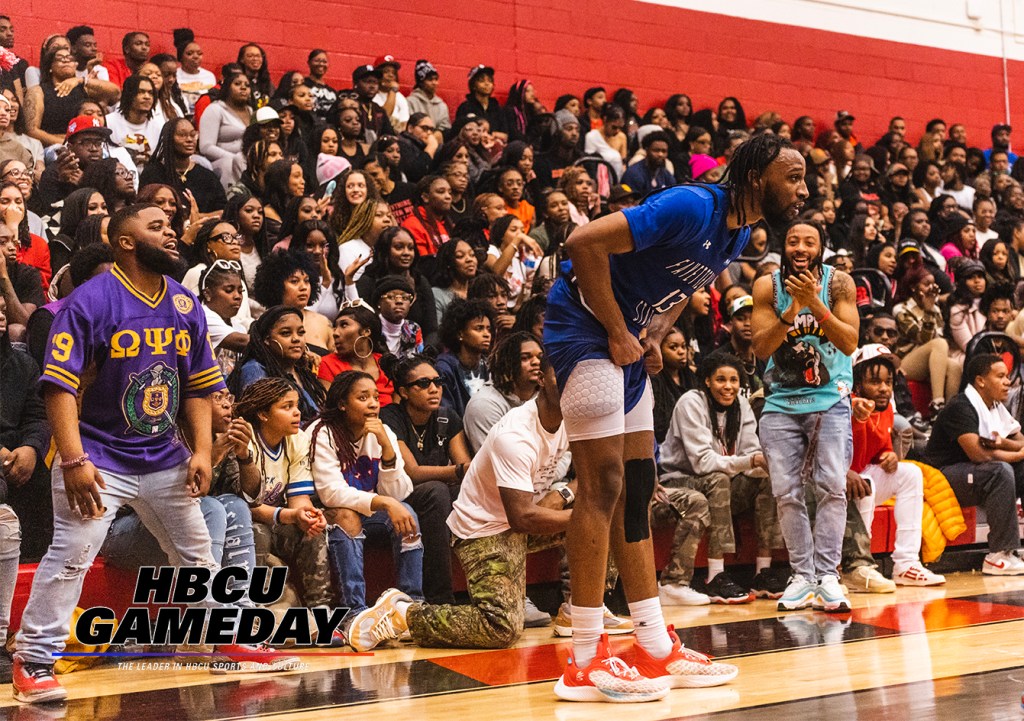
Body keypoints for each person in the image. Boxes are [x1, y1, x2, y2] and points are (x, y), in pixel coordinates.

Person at [540, 135, 803, 702]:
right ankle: (583, 657)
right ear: (757, 175)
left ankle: (654, 645)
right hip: (584, 326)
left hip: (628, 336)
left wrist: (656, 329)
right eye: (794, 177)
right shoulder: (692, 205)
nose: (803, 190)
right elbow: (583, 241)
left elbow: (687, 283)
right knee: (602, 483)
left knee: (637, 488)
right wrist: (616, 328)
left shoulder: (734, 231)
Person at [12, 204, 295, 704]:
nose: (171, 234)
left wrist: (203, 450)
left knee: (197, 553)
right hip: (97, 454)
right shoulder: (90, 302)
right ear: (125, 242)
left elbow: (199, 387)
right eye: (156, 227)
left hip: (163, 454)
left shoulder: (184, 304)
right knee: (72, 555)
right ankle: (34, 659)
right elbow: (58, 388)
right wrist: (75, 461)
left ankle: (228, 637)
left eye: (171, 226)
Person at [344, 360, 580, 653]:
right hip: (485, 530)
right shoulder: (516, 434)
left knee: (609, 510)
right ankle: (404, 613)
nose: (572, 380)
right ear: (542, 378)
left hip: (526, 516)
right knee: (502, 629)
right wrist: (580, 517)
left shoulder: (575, 418)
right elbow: (521, 518)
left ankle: (580, 609)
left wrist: (566, 497)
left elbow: (596, 473)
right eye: (564, 371)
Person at [752, 219, 859, 614]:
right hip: (780, 403)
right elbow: (762, 347)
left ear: (821, 247)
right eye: (793, 240)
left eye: (808, 241)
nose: (800, 247)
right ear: (784, 245)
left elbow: (849, 342)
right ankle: (801, 577)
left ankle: (828, 576)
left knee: (831, 487)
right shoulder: (767, 286)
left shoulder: (839, 284)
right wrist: (793, 308)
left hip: (830, 399)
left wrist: (814, 303)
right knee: (786, 492)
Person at [657, 354, 786, 606]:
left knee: (767, 480)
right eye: (721, 380)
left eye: (734, 380)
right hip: (679, 481)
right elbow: (702, 463)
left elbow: (751, 453)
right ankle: (715, 575)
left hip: (723, 479)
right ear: (707, 381)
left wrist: (767, 467)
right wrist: (750, 462)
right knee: (719, 479)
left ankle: (763, 571)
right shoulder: (690, 403)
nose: (728, 386)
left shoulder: (741, 404)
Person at [309, 370, 424, 624]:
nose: (373, 403)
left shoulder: (384, 432)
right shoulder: (322, 433)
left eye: (375, 397)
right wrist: (384, 502)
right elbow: (330, 493)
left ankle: (411, 607)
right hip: (326, 518)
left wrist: (387, 450)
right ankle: (354, 612)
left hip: (370, 516)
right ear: (342, 403)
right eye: (363, 397)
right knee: (346, 514)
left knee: (407, 512)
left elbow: (399, 493)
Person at [847, 344, 945, 586]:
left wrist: (889, 455)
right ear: (857, 384)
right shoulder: (845, 406)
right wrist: (858, 419)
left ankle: (906, 564)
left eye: (888, 382)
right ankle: (859, 565)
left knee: (911, 472)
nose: (883, 388)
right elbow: (850, 457)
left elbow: (878, 450)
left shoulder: (887, 409)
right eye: (875, 381)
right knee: (866, 482)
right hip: (839, 483)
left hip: (862, 479)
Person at [924, 353, 1024, 575]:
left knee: (1008, 469)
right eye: (1000, 376)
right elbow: (979, 454)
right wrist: (1017, 454)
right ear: (981, 380)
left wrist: (1001, 442)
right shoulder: (961, 405)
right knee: (999, 470)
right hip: (941, 478)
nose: (1008, 382)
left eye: (1007, 376)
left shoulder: (995, 406)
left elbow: (1020, 440)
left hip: (973, 474)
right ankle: (998, 555)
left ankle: (1017, 551)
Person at [463, 331, 543, 452]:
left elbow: (562, 451)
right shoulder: (484, 404)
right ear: (508, 363)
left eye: (540, 357)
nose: (536, 362)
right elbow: (497, 460)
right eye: (525, 358)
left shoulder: (546, 396)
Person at [436, 298, 493, 417]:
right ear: (460, 334)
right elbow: (446, 414)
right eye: (479, 328)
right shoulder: (444, 368)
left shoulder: (489, 365)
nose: (486, 334)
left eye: (488, 329)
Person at [407, 59, 450, 134]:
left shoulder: (441, 105)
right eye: (430, 80)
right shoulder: (410, 102)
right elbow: (409, 127)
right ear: (421, 82)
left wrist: (436, 135)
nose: (434, 83)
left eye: (436, 79)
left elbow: (445, 129)